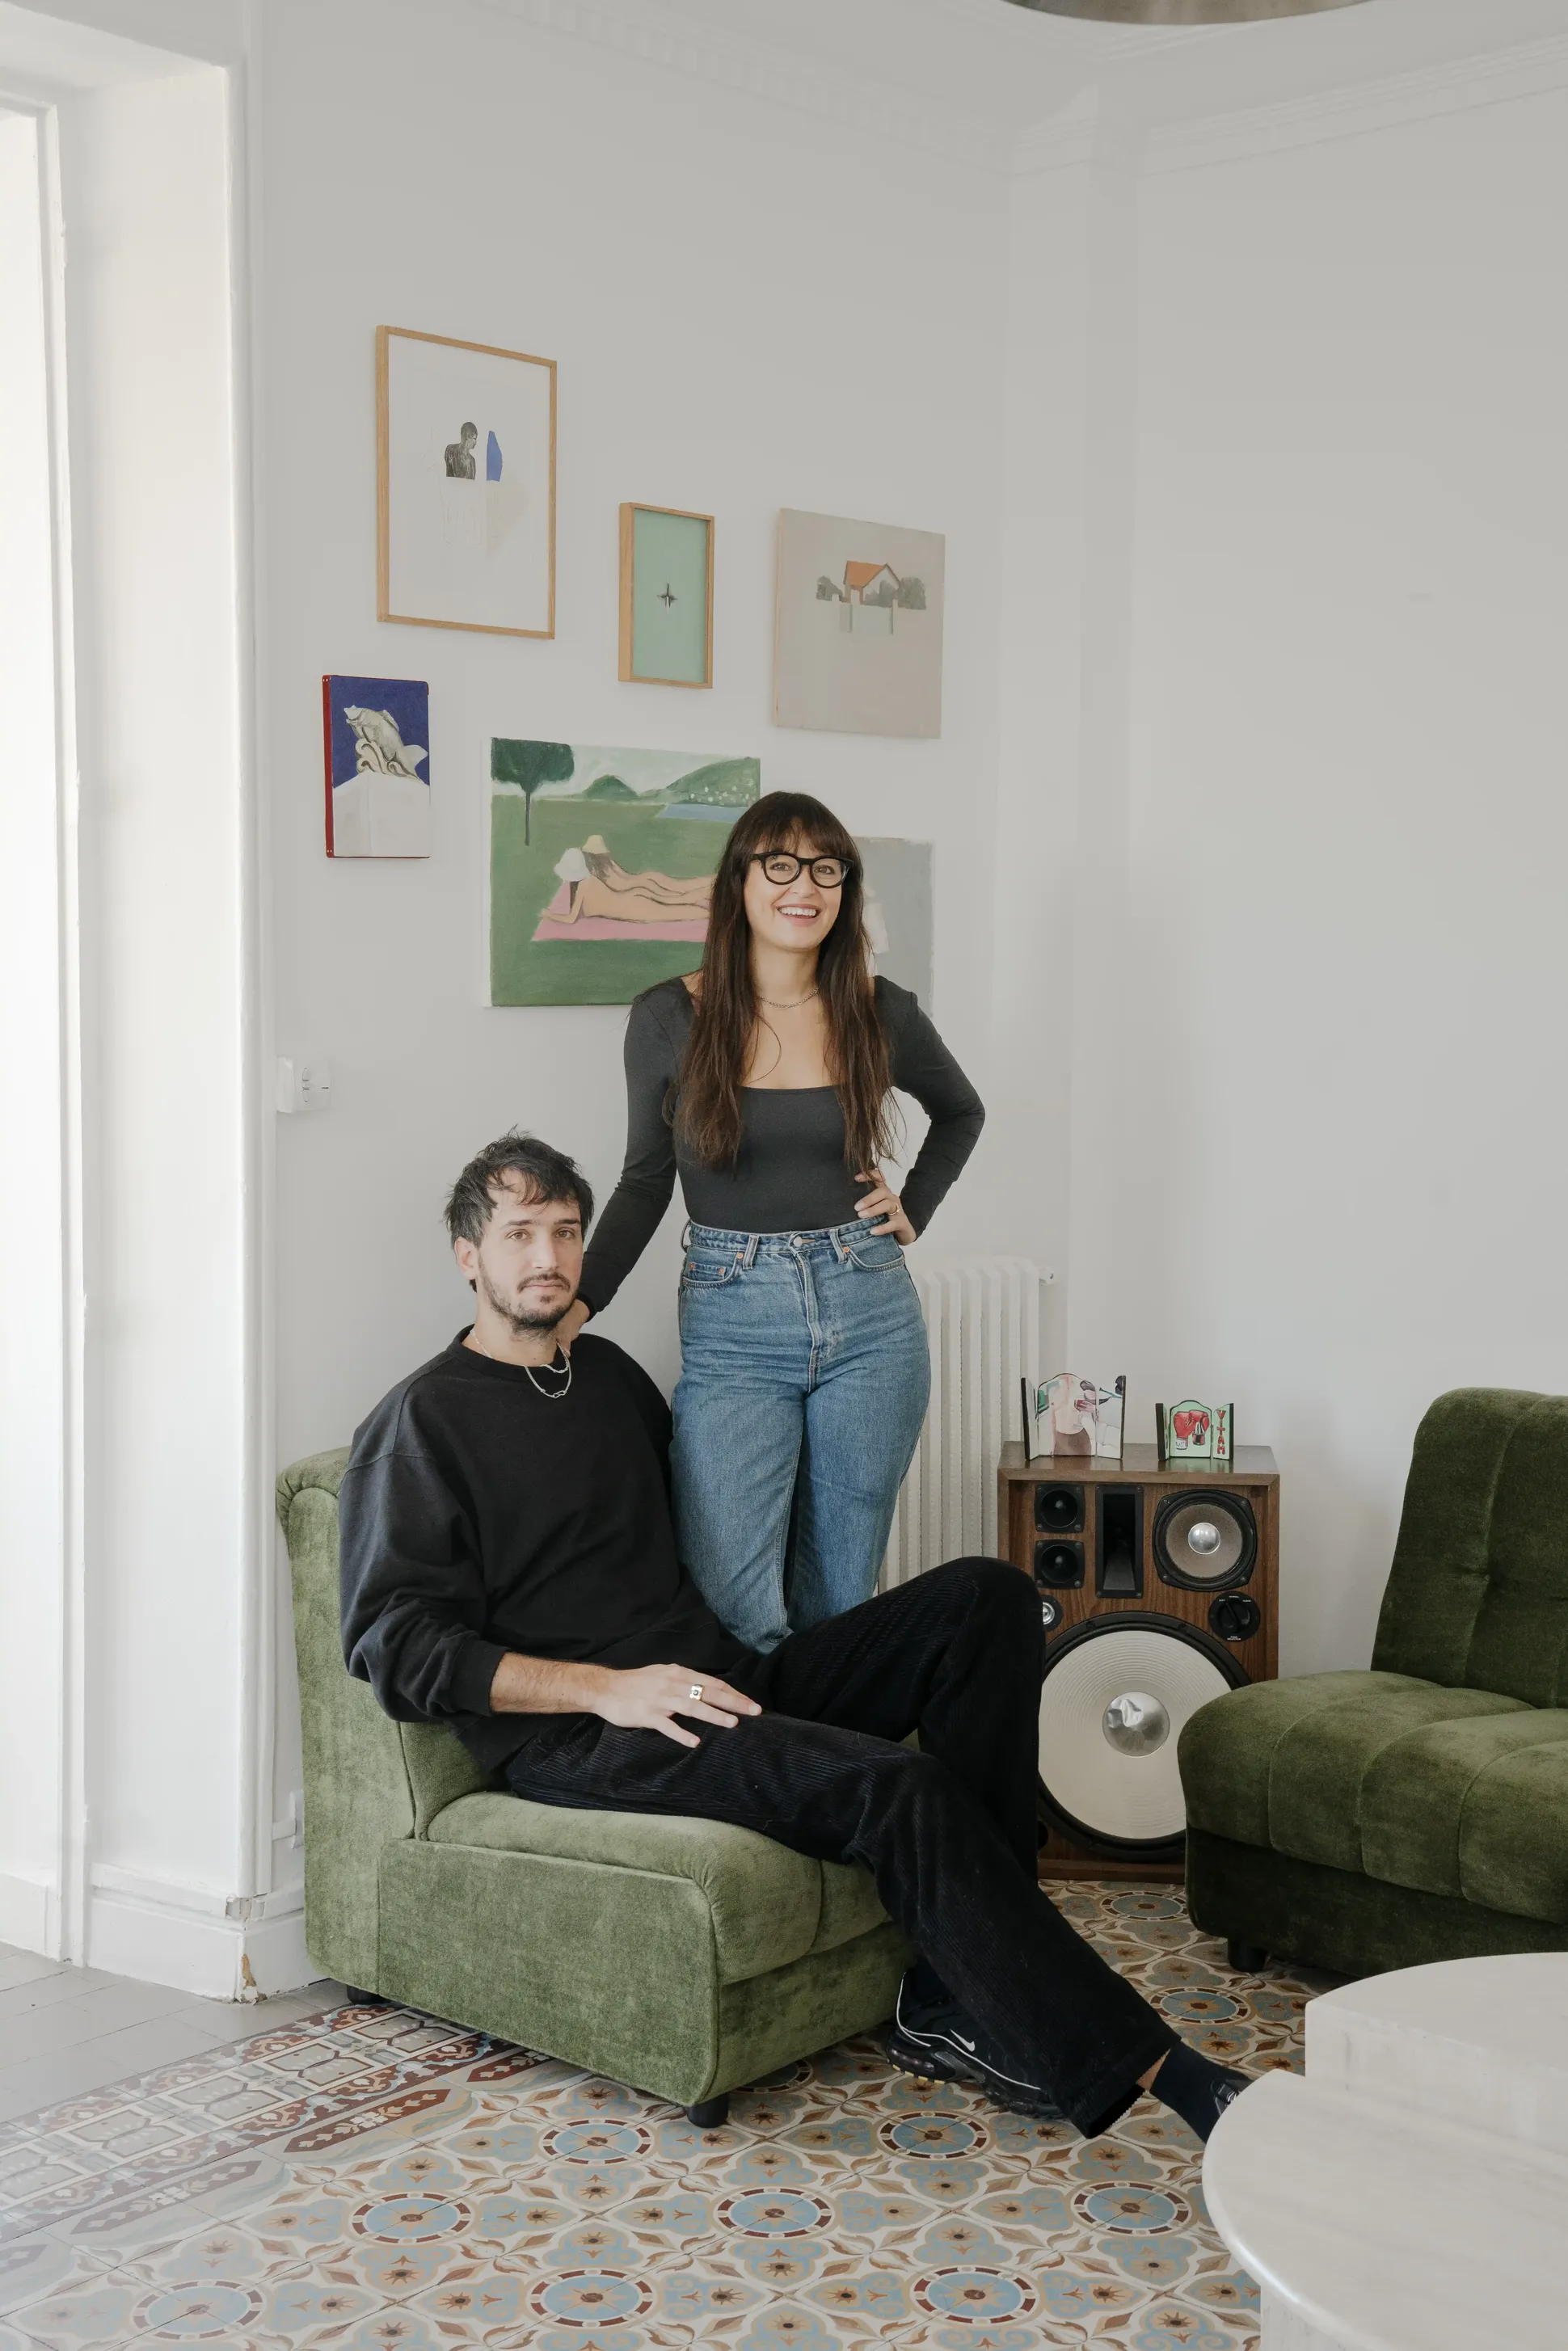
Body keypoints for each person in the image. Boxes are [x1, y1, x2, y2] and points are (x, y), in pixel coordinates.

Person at [339, 1128, 1250, 2146]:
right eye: (518, 1234)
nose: (546, 1256)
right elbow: (394, 1648)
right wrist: (606, 1688)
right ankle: (1170, 2073)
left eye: (564, 1231)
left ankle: (951, 1994)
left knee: (984, 1597)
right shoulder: (419, 1422)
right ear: (469, 1255)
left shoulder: (604, 1377)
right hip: (596, 1733)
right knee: (892, 1784)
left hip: (721, 1678)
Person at [557, 790, 983, 1652]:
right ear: (740, 882)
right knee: (733, 1602)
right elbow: (646, 1179)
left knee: (838, 1596)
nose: (805, 886)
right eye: (780, 865)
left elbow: (960, 1112)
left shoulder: (880, 1007)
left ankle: (824, 1771)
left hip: (869, 1312)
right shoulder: (669, 1017)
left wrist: (914, 1208)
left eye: (826, 868)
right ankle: (748, 1772)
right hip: (732, 1313)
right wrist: (579, 1302)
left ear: (844, 889)